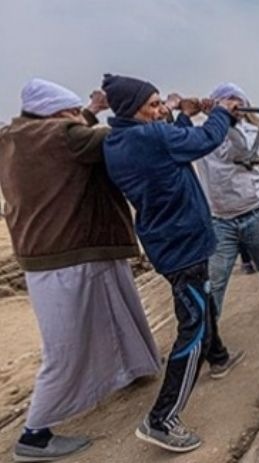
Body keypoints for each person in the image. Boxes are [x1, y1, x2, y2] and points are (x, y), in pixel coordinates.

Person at [0, 79, 160, 462]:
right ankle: (33, 436)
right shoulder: (64, 136)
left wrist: (89, 109)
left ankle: (136, 369)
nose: (78, 120)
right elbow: (110, 140)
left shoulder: (14, 136)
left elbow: (65, 133)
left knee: (120, 308)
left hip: (50, 252)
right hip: (70, 252)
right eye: (72, 114)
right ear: (57, 115)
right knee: (65, 348)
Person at [102, 74, 245, 453]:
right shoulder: (151, 138)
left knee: (204, 299)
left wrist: (182, 115)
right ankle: (161, 418)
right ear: (133, 110)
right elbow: (204, 141)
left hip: (169, 241)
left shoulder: (120, 140)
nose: (161, 108)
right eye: (153, 104)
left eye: (161, 101)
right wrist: (222, 114)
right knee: (193, 326)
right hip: (184, 246)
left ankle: (219, 356)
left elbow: (170, 149)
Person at [195, 83, 259, 317]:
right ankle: (210, 328)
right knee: (216, 278)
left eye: (237, 101)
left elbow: (241, 153)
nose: (234, 106)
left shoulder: (251, 132)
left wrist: (225, 121)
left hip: (254, 211)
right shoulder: (202, 133)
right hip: (220, 218)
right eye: (227, 101)